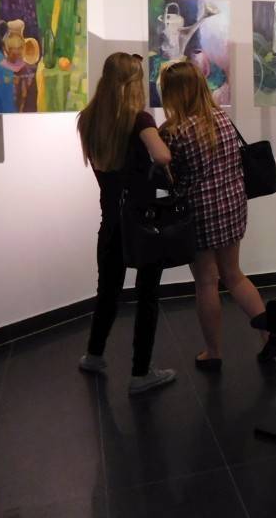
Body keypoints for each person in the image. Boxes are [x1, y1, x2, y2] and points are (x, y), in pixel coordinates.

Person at [159, 61, 273, 370]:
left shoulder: (174, 132)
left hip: (199, 212)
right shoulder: (222, 118)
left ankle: (213, 352)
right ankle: (270, 336)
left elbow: (169, 176)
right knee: (234, 275)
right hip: (232, 206)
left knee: (206, 281)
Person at [76, 52, 176, 395]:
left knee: (107, 291)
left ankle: (94, 354)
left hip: (111, 221)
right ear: (133, 83)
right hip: (143, 222)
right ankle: (140, 372)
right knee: (147, 295)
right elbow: (162, 155)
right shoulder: (140, 119)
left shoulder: (88, 118)